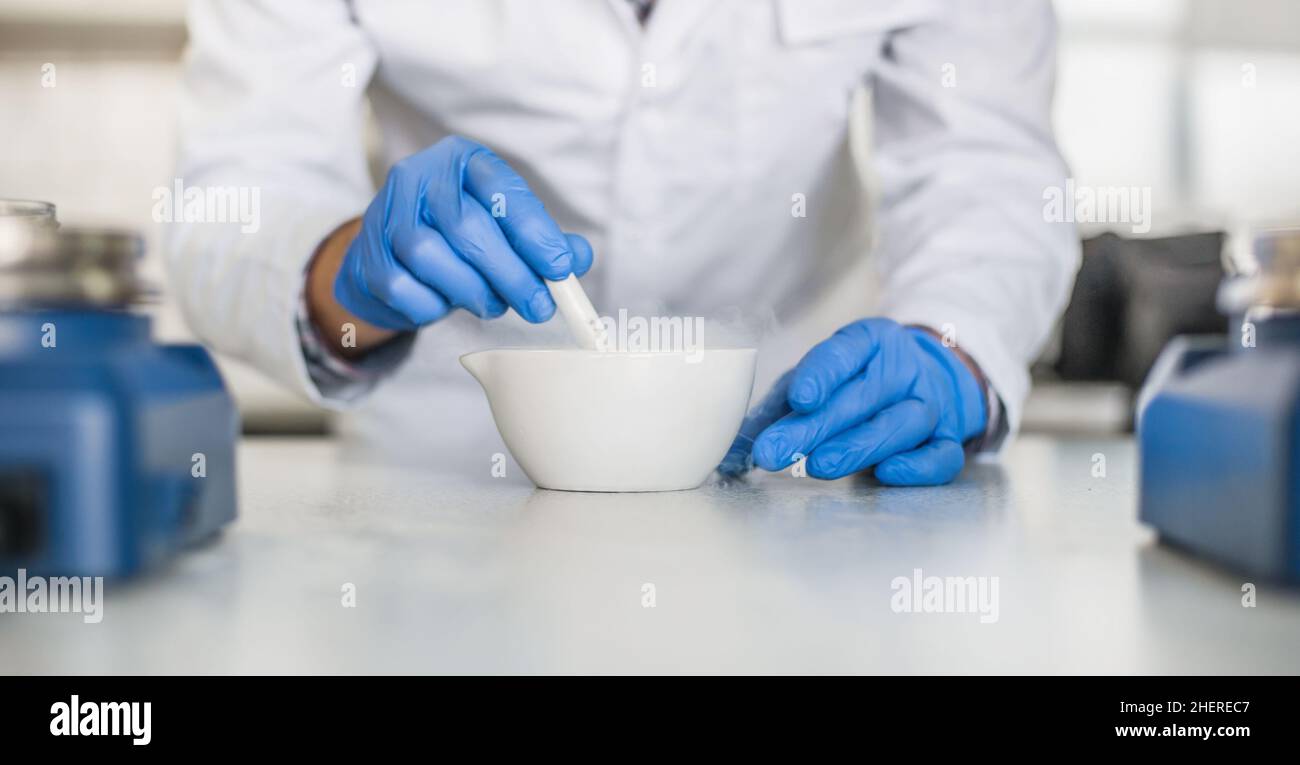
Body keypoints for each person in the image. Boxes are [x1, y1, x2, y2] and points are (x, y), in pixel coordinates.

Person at [167, 0, 1078, 486]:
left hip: (801, 444)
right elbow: (238, 186)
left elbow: (986, 165)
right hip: (448, 476)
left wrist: (953, 346)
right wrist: (347, 279)